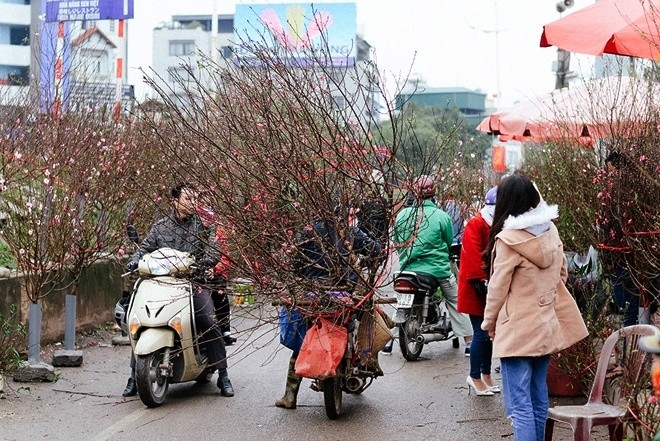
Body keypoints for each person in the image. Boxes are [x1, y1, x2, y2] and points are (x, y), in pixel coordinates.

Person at [481, 173, 588, 440]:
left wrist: (489, 323)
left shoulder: (509, 240)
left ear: (506, 201)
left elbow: (497, 288)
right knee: (538, 396)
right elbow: (562, 273)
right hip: (545, 325)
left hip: (517, 329)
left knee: (518, 404)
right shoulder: (550, 230)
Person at [125, 183, 235, 397]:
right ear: (174, 201)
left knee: (207, 319)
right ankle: (133, 375)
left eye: (195, 199)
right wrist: (134, 261)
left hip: (193, 283)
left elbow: (214, 250)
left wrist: (204, 264)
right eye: (187, 198)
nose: (192, 203)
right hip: (161, 284)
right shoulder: (160, 227)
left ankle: (223, 374)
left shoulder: (203, 226)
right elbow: (145, 249)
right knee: (140, 320)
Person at [275, 210, 384, 410]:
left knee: (303, 341)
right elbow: (377, 249)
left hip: (313, 295)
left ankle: (289, 395)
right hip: (345, 295)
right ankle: (369, 359)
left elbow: (293, 264)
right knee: (368, 317)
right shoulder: (349, 232)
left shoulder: (306, 233)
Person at [393, 175, 473, 354]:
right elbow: (448, 240)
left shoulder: (402, 215)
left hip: (407, 270)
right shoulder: (441, 216)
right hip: (437, 270)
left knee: (400, 304)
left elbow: (397, 240)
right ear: (433, 194)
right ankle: (469, 342)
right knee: (455, 300)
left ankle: (389, 342)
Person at [458, 186, 498, 396]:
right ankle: (474, 376)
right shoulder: (476, 224)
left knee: (488, 334)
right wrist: (483, 282)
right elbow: (473, 258)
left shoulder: (492, 223)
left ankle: (486, 374)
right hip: (477, 287)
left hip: (488, 285)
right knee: (481, 334)